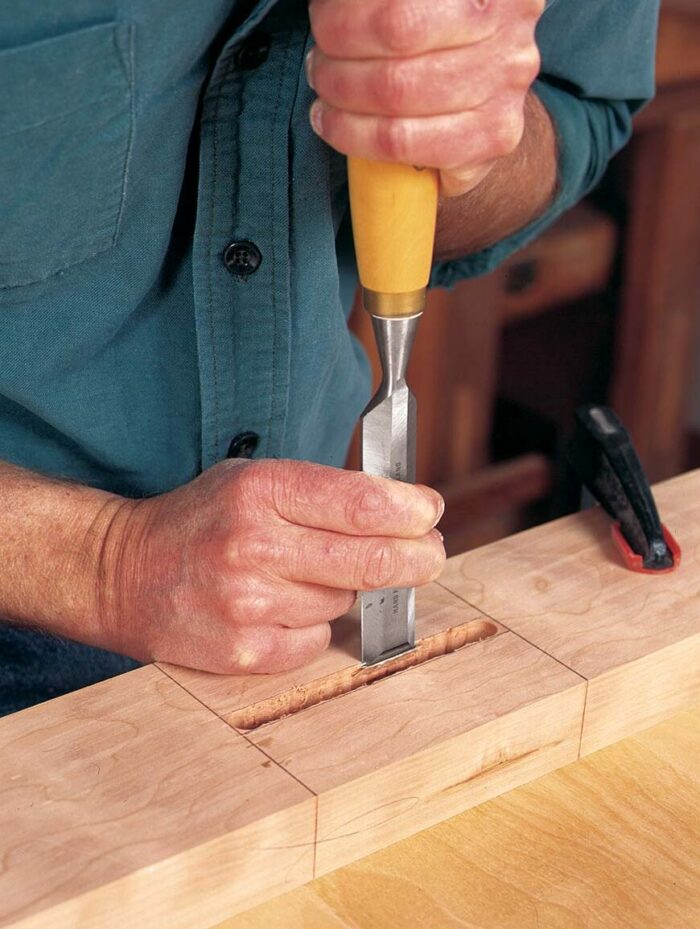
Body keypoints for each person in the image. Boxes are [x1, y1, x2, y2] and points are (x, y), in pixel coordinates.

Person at [0, 0, 659, 716]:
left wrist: (475, 136)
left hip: (276, 635)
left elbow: (574, 106)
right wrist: (106, 562)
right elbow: (109, 566)